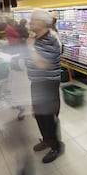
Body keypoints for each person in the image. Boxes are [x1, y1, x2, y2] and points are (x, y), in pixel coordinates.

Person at [26, 9, 63, 164]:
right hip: (37, 83)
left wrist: (30, 48)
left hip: (48, 84)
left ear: (41, 23)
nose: (30, 23)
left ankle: (56, 146)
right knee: (39, 114)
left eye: (33, 20)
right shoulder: (36, 39)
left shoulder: (52, 40)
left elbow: (42, 64)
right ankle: (46, 139)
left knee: (49, 117)